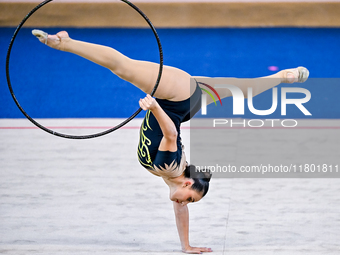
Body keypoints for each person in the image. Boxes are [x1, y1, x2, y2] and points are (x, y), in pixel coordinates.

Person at [32, 29, 309, 254]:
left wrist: (186, 246)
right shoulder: (169, 169)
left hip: (189, 102)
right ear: (187, 183)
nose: (184, 203)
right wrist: (154, 107)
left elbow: (180, 209)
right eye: (189, 199)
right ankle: (63, 43)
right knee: (123, 68)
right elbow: (170, 135)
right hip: (176, 98)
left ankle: (282, 76)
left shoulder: (175, 179)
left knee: (241, 90)